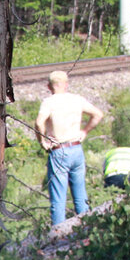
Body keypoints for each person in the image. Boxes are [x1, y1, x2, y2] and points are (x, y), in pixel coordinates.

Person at [34, 69, 104, 225]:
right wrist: (85, 131)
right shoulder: (76, 99)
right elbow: (98, 114)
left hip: (59, 150)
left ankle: (59, 233)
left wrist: (43, 142)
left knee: (58, 198)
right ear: (66, 84)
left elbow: (39, 123)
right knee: (80, 195)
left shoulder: (49, 102)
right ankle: (87, 227)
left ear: (49, 86)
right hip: (76, 149)